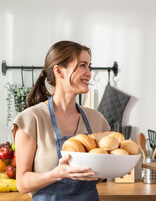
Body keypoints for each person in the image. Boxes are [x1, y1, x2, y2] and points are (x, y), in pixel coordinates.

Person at [11, 41, 110, 200]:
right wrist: (56, 174)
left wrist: (114, 169)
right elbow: (22, 183)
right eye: (82, 65)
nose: (89, 73)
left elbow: (98, 175)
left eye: (89, 66)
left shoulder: (97, 120)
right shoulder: (31, 119)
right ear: (59, 71)